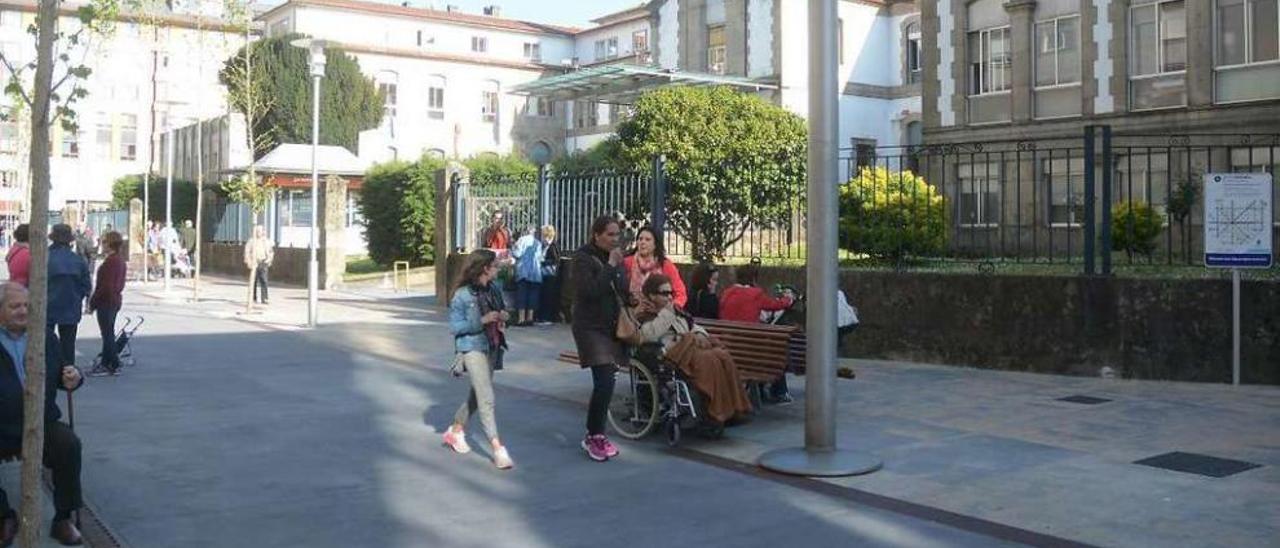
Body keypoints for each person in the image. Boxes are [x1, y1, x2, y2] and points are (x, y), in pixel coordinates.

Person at [0, 283, 86, 546]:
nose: (23, 311)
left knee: (69, 445)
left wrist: (74, 377)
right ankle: (4, 515)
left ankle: (63, 518)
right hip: (2, 425)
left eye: (27, 305)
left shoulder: (45, 336)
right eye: (15, 306)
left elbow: (63, 373)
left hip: (42, 419)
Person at [636, 274, 751, 423]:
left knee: (722, 356)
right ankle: (713, 413)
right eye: (665, 294)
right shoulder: (644, 314)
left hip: (688, 350)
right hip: (668, 356)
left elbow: (692, 325)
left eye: (671, 293)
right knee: (709, 360)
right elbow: (648, 335)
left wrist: (699, 334)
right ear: (651, 295)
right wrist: (667, 314)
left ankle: (732, 410)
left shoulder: (675, 311)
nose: (670, 297)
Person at [441, 250, 514, 470]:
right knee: (487, 397)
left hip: (492, 345)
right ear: (485, 268)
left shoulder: (494, 288)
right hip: (471, 347)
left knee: (478, 394)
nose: (498, 269)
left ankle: (455, 430)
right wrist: (482, 320)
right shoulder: (462, 295)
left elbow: (506, 311)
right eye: (495, 265)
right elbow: (455, 328)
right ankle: (498, 448)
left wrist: (504, 317)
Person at [570, 215, 627, 462]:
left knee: (608, 380)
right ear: (596, 235)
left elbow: (621, 290)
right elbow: (589, 291)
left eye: (617, 235)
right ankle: (594, 435)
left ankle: (596, 433)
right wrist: (612, 267)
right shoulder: (582, 258)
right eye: (610, 235)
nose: (615, 239)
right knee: (604, 380)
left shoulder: (613, 259)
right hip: (590, 327)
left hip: (610, 326)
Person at [719, 263, 795, 403]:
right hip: (750, 353)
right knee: (778, 351)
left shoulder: (727, 293)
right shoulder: (755, 294)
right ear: (753, 279)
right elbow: (775, 305)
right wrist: (788, 298)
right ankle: (780, 392)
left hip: (729, 348)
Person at [48, 224, 91, 368]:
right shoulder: (78, 260)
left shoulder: (44, 258)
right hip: (71, 307)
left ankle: (49, 369)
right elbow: (86, 286)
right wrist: (77, 297)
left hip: (48, 307)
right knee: (68, 344)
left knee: (47, 342)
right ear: (70, 241)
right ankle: (68, 371)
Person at [89, 231, 126, 376]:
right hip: (114, 300)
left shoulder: (110, 262)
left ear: (110, 244)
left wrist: (93, 302)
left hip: (107, 302)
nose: (102, 245)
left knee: (107, 334)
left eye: (104, 242)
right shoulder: (119, 260)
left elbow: (105, 286)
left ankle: (114, 363)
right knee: (108, 332)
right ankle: (105, 362)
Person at [622, 226, 686, 310]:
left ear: (655, 244)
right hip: (632, 312)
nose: (642, 242)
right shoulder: (626, 262)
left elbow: (680, 293)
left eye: (647, 240)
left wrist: (672, 309)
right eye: (640, 239)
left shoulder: (665, 265)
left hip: (660, 313)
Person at [510, 226, 545, 327]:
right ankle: (530, 318)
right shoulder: (538, 243)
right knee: (533, 294)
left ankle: (521, 319)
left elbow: (518, 253)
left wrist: (512, 247)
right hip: (535, 272)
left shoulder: (521, 240)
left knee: (522, 294)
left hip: (523, 271)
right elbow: (540, 258)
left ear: (525, 231)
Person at [534, 225, 561, 326]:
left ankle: (548, 317)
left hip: (550, 274)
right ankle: (542, 317)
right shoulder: (544, 246)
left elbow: (556, 260)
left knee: (548, 296)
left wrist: (543, 262)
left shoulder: (553, 246)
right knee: (543, 295)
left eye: (544, 236)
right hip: (544, 274)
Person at [244, 225, 274, 305]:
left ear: (263, 232)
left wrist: (268, 260)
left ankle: (265, 298)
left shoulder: (266, 241)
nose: (259, 233)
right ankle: (253, 297)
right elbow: (247, 252)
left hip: (263, 262)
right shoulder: (251, 241)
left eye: (260, 231)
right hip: (254, 262)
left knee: (264, 280)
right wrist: (249, 262)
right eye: (257, 231)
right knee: (253, 281)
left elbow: (271, 252)